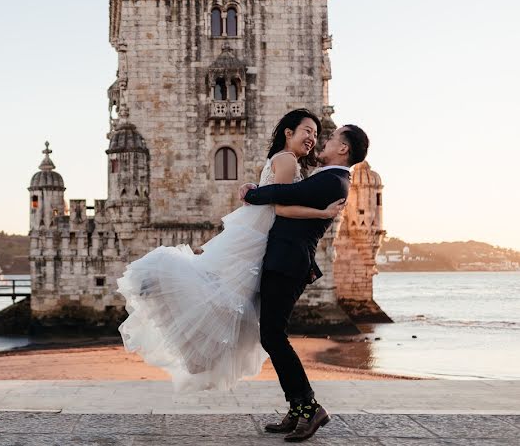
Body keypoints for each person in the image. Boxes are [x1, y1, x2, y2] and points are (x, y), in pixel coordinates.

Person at [116, 109, 344, 393]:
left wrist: (253, 190)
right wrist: (321, 212)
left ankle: (199, 353)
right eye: (307, 131)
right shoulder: (287, 160)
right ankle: (203, 354)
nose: (313, 138)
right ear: (289, 132)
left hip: (254, 231)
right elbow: (282, 206)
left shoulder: (284, 160)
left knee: (222, 294)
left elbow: (272, 196)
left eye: (316, 133)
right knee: (227, 298)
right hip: (258, 236)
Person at [240, 123, 369, 442]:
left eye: (331, 138)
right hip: (285, 259)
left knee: (273, 334)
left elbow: (286, 195)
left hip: (288, 261)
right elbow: (290, 201)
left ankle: (309, 408)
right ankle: (298, 408)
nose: (323, 141)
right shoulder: (331, 179)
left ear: (343, 149)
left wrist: (252, 193)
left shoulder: (334, 180)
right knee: (272, 334)